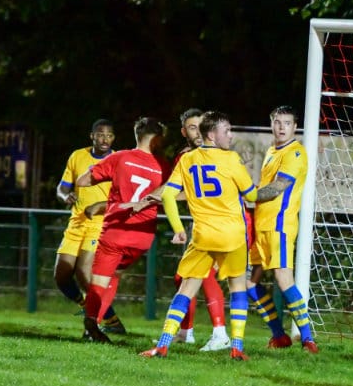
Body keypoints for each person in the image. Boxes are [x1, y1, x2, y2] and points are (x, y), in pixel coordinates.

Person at [141, 111, 258, 360]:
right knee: (237, 287)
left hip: (203, 235)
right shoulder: (231, 159)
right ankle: (236, 346)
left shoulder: (187, 159)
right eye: (226, 130)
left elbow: (168, 195)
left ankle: (163, 345)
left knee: (186, 289)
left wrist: (178, 228)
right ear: (212, 135)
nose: (231, 135)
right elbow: (251, 195)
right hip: (232, 235)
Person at [75, 117, 171, 342]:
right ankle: (96, 323)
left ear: (138, 135)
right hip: (142, 235)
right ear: (157, 139)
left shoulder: (120, 157)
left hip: (116, 230)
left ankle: (91, 323)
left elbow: (82, 181)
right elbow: (172, 194)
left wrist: (92, 170)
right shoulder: (164, 167)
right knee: (115, 274)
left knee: (99, 282)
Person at [246, 105, 318, 353]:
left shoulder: (295, 153)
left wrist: (249, 193)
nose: (281, 127)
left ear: (295, 127)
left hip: (280, 225)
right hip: (261, 226)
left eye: (287, 123)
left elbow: (278, 187)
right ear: (271, 124)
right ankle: (279, 336)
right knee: (248, 283)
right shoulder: (271, 150)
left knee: (283, 278)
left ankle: (308, 339)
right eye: (277, 122)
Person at [54, 119, 125, 334]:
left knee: (84, 273)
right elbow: (62, 188)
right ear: (92, 136)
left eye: (109, 135)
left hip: (100, 224)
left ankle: (110, 321)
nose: (105, 139)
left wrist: (100, 206)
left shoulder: (119, 160)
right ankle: (89, 308)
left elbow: (125, 198)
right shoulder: (78, 156)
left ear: (113, 138)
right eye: (100, 134)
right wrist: (65, 196)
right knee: (61, 275)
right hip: (76, 223)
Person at [169, 108, 230, 351]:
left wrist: (154, 197)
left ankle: (221, 334)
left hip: (224, 224)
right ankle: (187, 332)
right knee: (184, 277)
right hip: (204, 224)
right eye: (192, 128)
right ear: (184, 132)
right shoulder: (186, 157)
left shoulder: (219, 155)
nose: (197, 132)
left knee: (207, 276)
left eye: (200, 127)